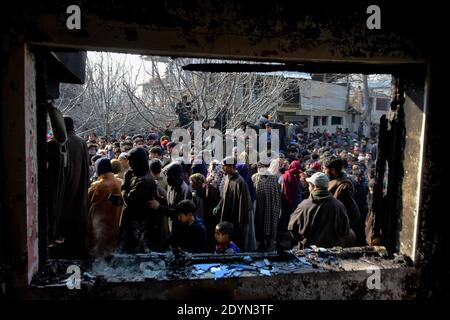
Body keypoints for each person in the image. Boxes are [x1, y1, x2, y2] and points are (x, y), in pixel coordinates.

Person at [49, 117, 90, 258]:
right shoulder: (82, 142)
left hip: (62, 201)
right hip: (79, 198)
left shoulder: (56, 144)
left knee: (64, 243)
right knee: (77, 239)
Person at [288, 172, 355, 249]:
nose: (309, 188)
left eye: (310, 185)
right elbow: (345, 230)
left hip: (309, 252)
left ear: (314, 187)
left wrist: (302, 239)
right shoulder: (338, 205)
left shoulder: (304, 205)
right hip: (332, 252)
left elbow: (291, 227)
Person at [119, 147, 159, 253]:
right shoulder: (136, 175)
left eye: (132, 161)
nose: (130, 164)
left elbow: (129, 200)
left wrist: (124, 184)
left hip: (140, 224)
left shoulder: (145, 180)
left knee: (136, 253)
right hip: (132, 222)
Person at [322, 156, 366, 246]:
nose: (323, 171)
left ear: (333, 170)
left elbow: (352, 213)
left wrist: (343, 229)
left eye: (325, 169)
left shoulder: (344, 187)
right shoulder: (332, 182)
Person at [86, 158, 124, 258]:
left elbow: (87, 203)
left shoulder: (97, 186)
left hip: (100, 227)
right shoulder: (121, 182)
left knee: (99, 253)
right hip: (117, 224)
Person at [213, 157, 251, 251]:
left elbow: (243, 204)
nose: (223, 168)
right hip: (226, 213)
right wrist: (219, 205)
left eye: (225, 166)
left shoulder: (240, 182)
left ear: (231, 166)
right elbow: (224, 196)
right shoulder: (226, 177)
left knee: (235, 242)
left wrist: (241, 221)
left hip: (236, 218)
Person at [252, 160, 281, 252]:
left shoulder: (273, 178)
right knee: (259, 224)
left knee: (269, 224)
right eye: (259, 168)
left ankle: (268, 242)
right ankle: (260, 243)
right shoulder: (254, 177)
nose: (261, 169)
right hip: (258, 207)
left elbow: (277, 193)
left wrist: (277, 207)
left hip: (270, 206)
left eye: (263, 168)